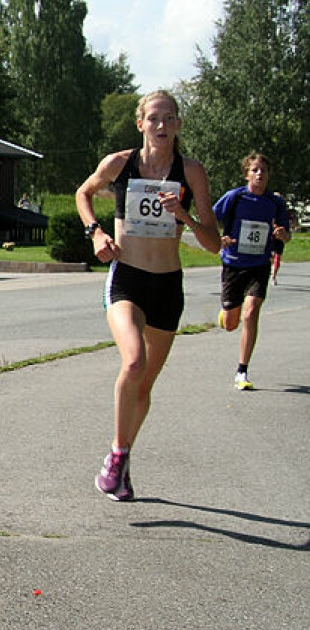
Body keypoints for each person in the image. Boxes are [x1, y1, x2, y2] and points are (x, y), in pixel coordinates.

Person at [75, 90, 221, 501]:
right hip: (127, 280)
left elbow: (212, 244)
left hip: (167, 287)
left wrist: (184, 216)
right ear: (140, 123)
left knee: (143, 387)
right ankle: (117, 457)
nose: (161, 125)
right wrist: (96, 233)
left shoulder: (191, 172)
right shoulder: (119, 164)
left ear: (177, 125)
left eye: (169, 118)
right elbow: (83, 194)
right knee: (133, 360)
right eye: (153, 118)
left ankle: (122, 461)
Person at [213, 153, 291, 390]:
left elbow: (286, 235)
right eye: (255, 170)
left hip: (259, 265)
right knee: (230, 323)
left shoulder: (275, 203)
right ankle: (226, 313)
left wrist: (282, 235)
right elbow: (210, 220)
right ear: (247, 173)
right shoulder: (235, 197)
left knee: (252, 312)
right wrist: (219, 239)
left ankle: (242, 371)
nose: (259, 174)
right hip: (234, 264)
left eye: (263, 170)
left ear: (269, 175)